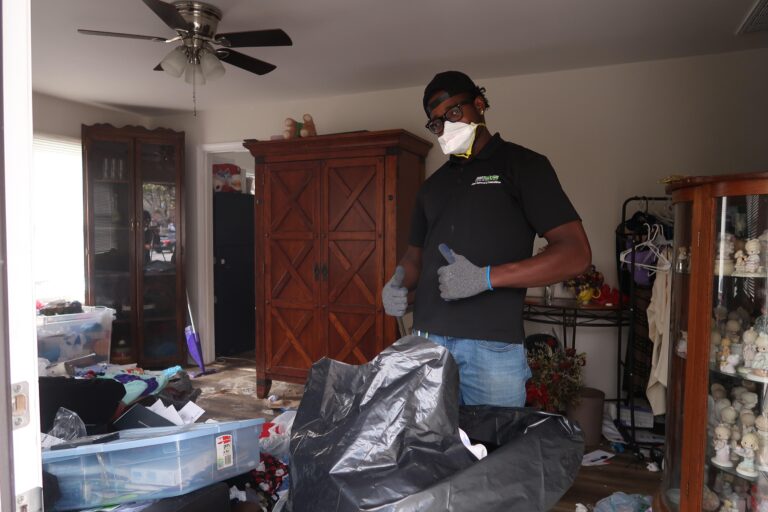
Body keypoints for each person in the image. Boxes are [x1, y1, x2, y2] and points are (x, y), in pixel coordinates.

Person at [382, 70, 591, 407]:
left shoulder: (524, 166)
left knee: (492, 452)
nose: (446, 127)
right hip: (427, 342)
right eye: (436, 123)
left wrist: (486, 278)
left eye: (453, 112)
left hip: (490, 347)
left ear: (479, 104)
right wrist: (397, 283)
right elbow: (415, 257)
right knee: (427, 450)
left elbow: (576, 253)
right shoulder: (431, 188)